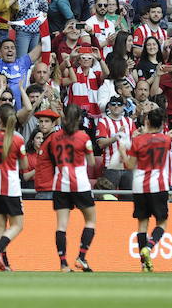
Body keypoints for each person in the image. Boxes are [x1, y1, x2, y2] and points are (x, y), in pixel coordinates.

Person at [41, 104, 96, 272]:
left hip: (60, 184)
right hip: (80, 184)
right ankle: (81, 256)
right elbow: (92, 163)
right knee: (90, 221)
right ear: (79, 118)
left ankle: (63, 263)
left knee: (61, 226)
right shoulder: (83, 137)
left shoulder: (55, 137)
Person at [124, 108, 172, 273]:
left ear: (146, 122)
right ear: (162, 124)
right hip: (158, 185)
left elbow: (130, 166)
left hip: (139, 186)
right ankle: (149, 247)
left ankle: (144, 264)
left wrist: (123, 154)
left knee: (142, 225)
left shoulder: (137, 141)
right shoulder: (166, 140)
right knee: (162, 223)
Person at [0, 103, 27, 271]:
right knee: (17, 225)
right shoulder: (17, 139)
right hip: (10, 187)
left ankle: (4, 263)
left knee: (0, 226)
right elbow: (24, 165)